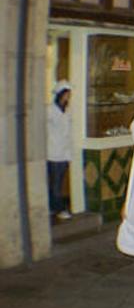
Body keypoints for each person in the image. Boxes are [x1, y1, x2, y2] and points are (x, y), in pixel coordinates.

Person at [47, 80, 73, 222]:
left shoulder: (67, 111)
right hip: (53, 153)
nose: (68, 98)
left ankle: (53, 207)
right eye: (66, 95)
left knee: (58, 182)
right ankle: (59, 208)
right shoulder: (50, 110)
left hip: (64, 153)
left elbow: (68, 134)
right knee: (55, 184)